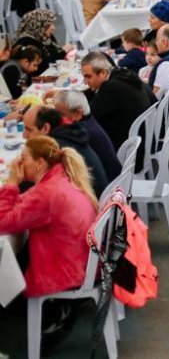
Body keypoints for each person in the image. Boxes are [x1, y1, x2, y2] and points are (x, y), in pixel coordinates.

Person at [0, 135, 98, 338]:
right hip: (81, 261)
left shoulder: (48, 192)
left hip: (67, 272)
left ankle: (55, 313)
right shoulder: (58, 178)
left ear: (40, 163)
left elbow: (3, 221)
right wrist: (11, 192)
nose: (18, 163)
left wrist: (10, 184)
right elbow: (25, 203)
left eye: (23, 158)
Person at [24, 105, 109, 194]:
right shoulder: (69, 134)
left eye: (29, 130)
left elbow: (27, 188)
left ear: (45, 128)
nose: (24, 136)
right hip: (98, 197)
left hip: (91, 203)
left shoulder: (53, 149)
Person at [80, 51, 154, 153]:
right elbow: (95, 92)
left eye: (88, 77)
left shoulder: (111, 88)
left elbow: (86, 116)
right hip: (143, 141)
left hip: (130, 153)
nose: (85, 81)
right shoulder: (122, 75)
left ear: (103, 73)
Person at [50, 89, 121, 181]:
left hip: (107, 189)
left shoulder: (81, 133)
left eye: (61, 115)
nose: (57, 119)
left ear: (78, 113)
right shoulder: (89, 122)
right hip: (113, 181)